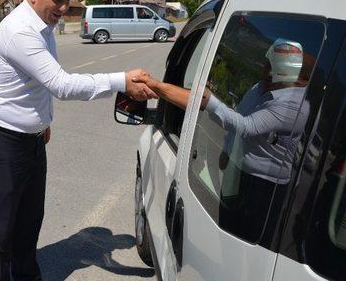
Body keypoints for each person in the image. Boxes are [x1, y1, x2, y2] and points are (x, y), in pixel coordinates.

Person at [0, 0, 157, 280]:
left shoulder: (43, 23)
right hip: (0, 138)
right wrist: (122, 80)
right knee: (0, 228)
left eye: (67, 0)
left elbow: (36, 84)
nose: (64, 8)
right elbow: (61, 84)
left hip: (30, 137)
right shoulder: (20, 31)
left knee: (29, 221)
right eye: (56, 0)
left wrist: (43, 121)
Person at [133, 38, 313, 242]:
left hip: (265, 185)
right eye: (267, 64)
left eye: (271, 66)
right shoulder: (261, 87)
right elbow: (238, 116)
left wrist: (210, 102)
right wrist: (228, 150)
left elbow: (247, 127)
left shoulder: (295, 105)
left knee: (247, 241)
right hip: (240, 171)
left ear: (294, 74)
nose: (265, 71)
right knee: (228, 227)